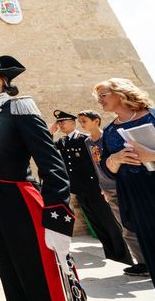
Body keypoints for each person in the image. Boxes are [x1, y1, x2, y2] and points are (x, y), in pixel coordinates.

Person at [0, 14, 77, 301]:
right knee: (9, 273)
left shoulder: (19, 107)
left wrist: (57, 216)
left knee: (33, 272)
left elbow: (51, 164)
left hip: (17, 200)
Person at [95, 78, 155, 299]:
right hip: (138, 199)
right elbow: (107, 170)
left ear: (121, 93)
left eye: (103, 95)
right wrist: (116, 160)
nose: (100, 101)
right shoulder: (109, 131)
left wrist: (153, 155)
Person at [50, 109, 133, 265]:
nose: (60, 124)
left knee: (109, 223)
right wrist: (50, 133)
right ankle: (112, 257)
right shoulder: (62, 142)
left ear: (72, 122)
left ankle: (124, 258)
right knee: (97, 225)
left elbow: (97, 163)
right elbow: (49, 151)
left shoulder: (84, 139)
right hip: (81, 191)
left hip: (95, 188)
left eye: (63, 122)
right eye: (59, 122)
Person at [77, 109, 147, 275]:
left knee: (143, 222)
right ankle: (142, 263)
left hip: (123, 186)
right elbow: (96, 166)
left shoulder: (107, 137)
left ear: (96, 121)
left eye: (84, 121)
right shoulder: (87, 142)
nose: (82, 124)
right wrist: (102, 187)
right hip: (108, 188)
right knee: (126, 227)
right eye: (80, 121)